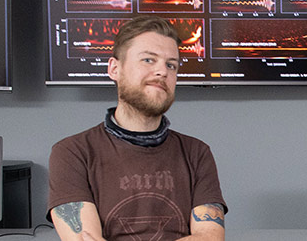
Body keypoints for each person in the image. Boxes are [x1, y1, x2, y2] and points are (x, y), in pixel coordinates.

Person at [48, 16, 226, 241]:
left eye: (171, 65)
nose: (162, 71)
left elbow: (210, 238)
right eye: (149, 60)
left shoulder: (197, 153)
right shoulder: (72, 152)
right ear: (114, 69)